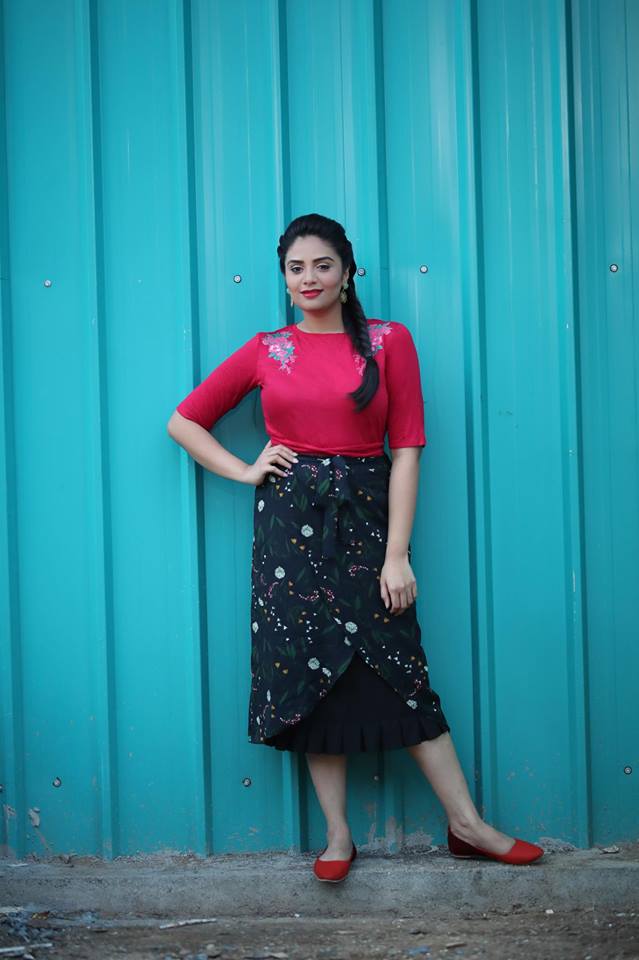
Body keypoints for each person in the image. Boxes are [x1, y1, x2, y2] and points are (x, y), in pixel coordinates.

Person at [167, 213, 544, 881]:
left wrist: (396, 554)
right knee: (306, 670)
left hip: (367, 522)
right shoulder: (267, 349)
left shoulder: (388, 341)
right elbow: (184, 421)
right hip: (289, 532)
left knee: (401, 665)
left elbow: (407, 449)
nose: (308, 278)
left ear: (347, 273)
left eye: (322, 265)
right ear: (284, 279)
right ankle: (338, 836)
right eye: (296, 268)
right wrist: (246, 470)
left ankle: (466, 825)